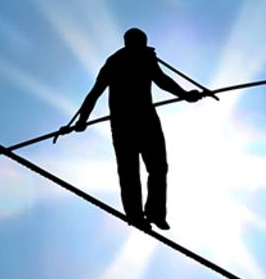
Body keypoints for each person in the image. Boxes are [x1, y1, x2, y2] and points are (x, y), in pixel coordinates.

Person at [72, 28, 204, 230]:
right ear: (130, 42)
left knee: (157, 168)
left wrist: (185, 95)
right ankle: (136, 215)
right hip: (126, 122)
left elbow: (162, 81)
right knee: (130, 170)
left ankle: (154, 213)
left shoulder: (144, 58)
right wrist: (82, 119)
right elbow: (95, 93)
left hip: (144, 119)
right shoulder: (116, 62)